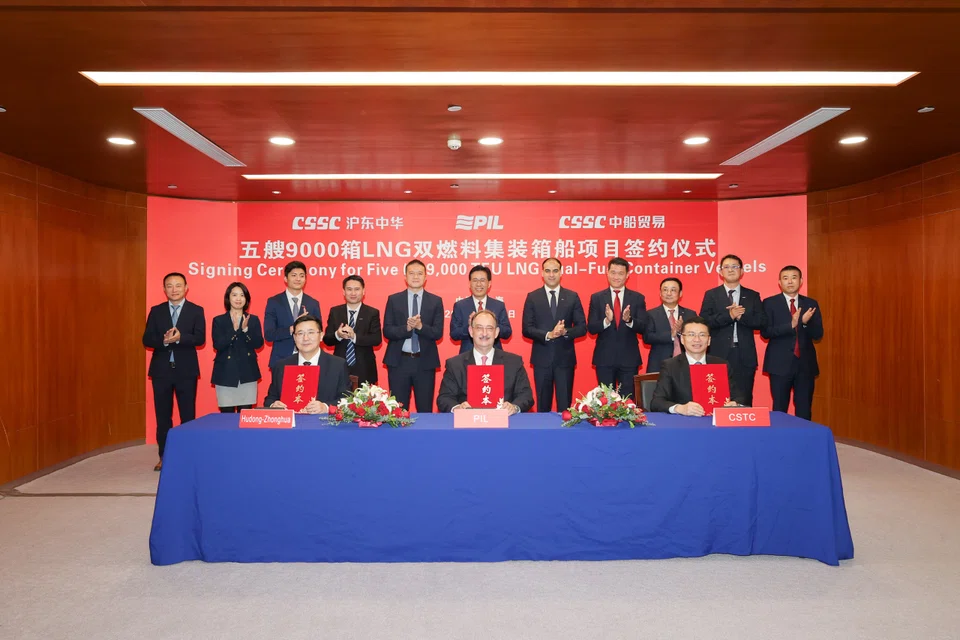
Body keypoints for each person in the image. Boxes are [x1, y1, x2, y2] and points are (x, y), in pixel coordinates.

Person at [142, 272, 206, 471]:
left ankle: (189, 456)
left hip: (186, 370)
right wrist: (163, 341)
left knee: (188, 415)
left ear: (186, 287)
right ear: (164, 289)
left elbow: (200, 338)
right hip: (161, 371)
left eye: (178, 285)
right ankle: (164, 456)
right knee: (163, 416)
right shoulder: (156, 311)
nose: (174, 289)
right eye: (169, 286)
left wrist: (179, 338)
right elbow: (146, 339)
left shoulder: (196, 310)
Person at [699, 254, 767, 406]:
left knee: (744, 398)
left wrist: (741, 317)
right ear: (720, 272)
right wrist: (728, 315)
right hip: (718, 353)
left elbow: (761, 322)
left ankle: (745, 429)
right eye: (726, 267)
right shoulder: (712, 295)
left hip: (744, 355)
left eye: (735, 267)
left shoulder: (752, 295)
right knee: (715, 397)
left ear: (742, 271)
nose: (731, 270)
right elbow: (704, 322)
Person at [521, 257, 587, 412]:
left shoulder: (572, 296)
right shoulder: (533, 297)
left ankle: (565, 436)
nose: (551, 274)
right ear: (542, 273)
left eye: (555, 271)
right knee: (543, 407)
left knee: (565, 407)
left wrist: (565, 332)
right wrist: (548, 334)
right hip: (542, 360)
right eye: (548, 271)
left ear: (561, 273)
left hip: (565, 360)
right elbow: (526, 328)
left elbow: (582, 327)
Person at [437, 309, 534, 414]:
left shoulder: (514, 362)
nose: (484, 333)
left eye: (489, 328)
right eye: (479, 328)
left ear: (496, 333)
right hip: (468, 424)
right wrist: (457, 408)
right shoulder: (455, 364)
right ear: (470, 331)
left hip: (505, 423)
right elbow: (444, 398)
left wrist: (514, 407)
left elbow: (526, 396)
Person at [650, 316, 747, 415]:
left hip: (716, 423)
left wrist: (735, 404)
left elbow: (739, 397)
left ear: (709, 340)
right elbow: (657, 402)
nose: (697, 339)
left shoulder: (722, 364)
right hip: (685, 424)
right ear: (682, 339)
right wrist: (680, 408)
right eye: (691, 335)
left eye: (702, 335)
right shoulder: (670, 366)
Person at [761, 265, 823, 420]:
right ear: (779, 282)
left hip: (805, 365)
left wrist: (804, 323)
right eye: (785, 278)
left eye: (794, 277)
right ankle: (779, 441)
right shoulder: (770, 303)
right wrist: (791, 325)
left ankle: (804, 441)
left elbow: (818, 335)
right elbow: (766, 332)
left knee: (804, 408)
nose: (790, 282)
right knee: (780, 408)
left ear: (801, 281)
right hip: (779, 364)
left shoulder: (811, 304)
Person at [382, 259, 444, 412]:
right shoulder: (394, 299)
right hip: (399, 362)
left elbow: (437, 332)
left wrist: (420, 327)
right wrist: (407, 328)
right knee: (397, 411)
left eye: (419, 273)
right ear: (405, 276)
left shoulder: (435, 301)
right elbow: (387, 331)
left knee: (425, 409)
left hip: (424, 362)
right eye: (411, 273)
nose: (415, 277)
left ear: (425, 277)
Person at [586, 257, 648, 395]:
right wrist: (606, 321)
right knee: (606, 402)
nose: (616, 277)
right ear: (607, 273)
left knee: (628, 401)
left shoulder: (637, 298)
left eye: (620, 273)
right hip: (604, 358)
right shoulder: (597, 297)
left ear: (627, 275)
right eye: (613, 272)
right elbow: (591, 327)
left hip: (629, 359)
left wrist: (629, 320)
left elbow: (644, 327)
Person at [264, 315, 350, 411]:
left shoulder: (337, 365)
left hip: (323, 423)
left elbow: (346, 399)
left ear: (321, 335)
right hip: (291, 423)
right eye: (300, 333)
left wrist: (325, 407)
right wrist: (273, 405)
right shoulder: (281, 365)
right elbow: (269, 399)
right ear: (294, 337)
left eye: (311, 333)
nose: (305, 338)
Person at [211, 282, 264, 413]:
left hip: (247, 373)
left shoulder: (253, 319)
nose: (238, 299)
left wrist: (245, 330)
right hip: (225, 373)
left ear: (246, 299)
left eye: (242, 295)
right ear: (228, 298)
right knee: (226, 419)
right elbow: (217, 345)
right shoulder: (219, 320)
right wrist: (234, 331)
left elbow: (259, 344)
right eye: (234, 295)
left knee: (245, 418)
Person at [323, 274, 383, 387]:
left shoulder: (372, 313)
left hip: (364, 367)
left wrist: (354, 336)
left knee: (365, 404)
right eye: (349, 289)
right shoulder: (335, 311)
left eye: (357, 289)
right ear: (343, 291)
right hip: (339, 366)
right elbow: (327, 339)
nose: (353, 293)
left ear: (363, 291)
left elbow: (376, 339)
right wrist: (338, 335)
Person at [263, 261, 321, 366]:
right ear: (286, 279)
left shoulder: (313, 303)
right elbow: (269, 334)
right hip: (281, 360)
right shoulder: (274, 302)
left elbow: (318, 332)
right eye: (294, 275)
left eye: (301, 276)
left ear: (305, 279)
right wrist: (292, 328)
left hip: (308, 361)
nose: (298, 279)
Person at [449, 265, 512, 353]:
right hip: (468, 356)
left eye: (482, 280)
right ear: (469, 283)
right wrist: (470, 326)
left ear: (489, 283)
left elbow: (507, 333)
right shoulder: (460, 306)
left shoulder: (498, 305)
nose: (478, 284)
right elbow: (454, 334)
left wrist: (492, 324)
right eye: (475, 280)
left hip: (494, 356)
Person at [644, 277, 697, 373]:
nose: (668, 293)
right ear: (660, 293)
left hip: (686, 364)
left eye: (673, 290)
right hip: (659, 364)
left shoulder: (690, 314)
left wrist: (681, 331)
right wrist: (671, 335)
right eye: (665, 290)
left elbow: (696, 338)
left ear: (680, 294)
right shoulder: (651, 314)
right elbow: (647, 337)